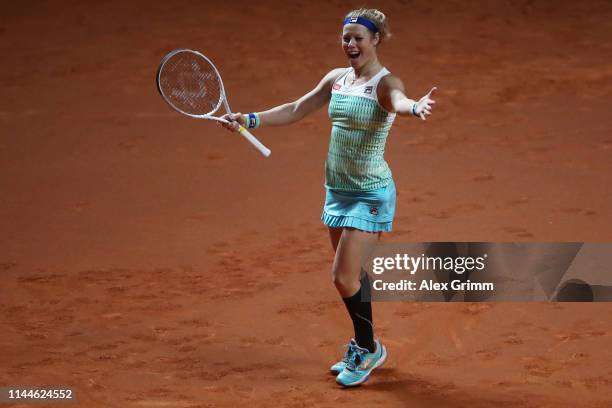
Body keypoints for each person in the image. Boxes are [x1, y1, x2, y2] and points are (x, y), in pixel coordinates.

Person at [221, 8, 436, 387]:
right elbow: (297, 108)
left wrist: (414, 107)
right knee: (352, 276)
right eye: (346, 38)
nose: (350, 44)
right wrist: (249, 119)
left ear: (376, 41)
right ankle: (366, 343)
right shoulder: (337, 79)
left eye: (358, 38)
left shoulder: (385, 84)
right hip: (337, 192)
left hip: (370, 193)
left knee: (342, 277)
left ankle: (368, 348)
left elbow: (400, 100)